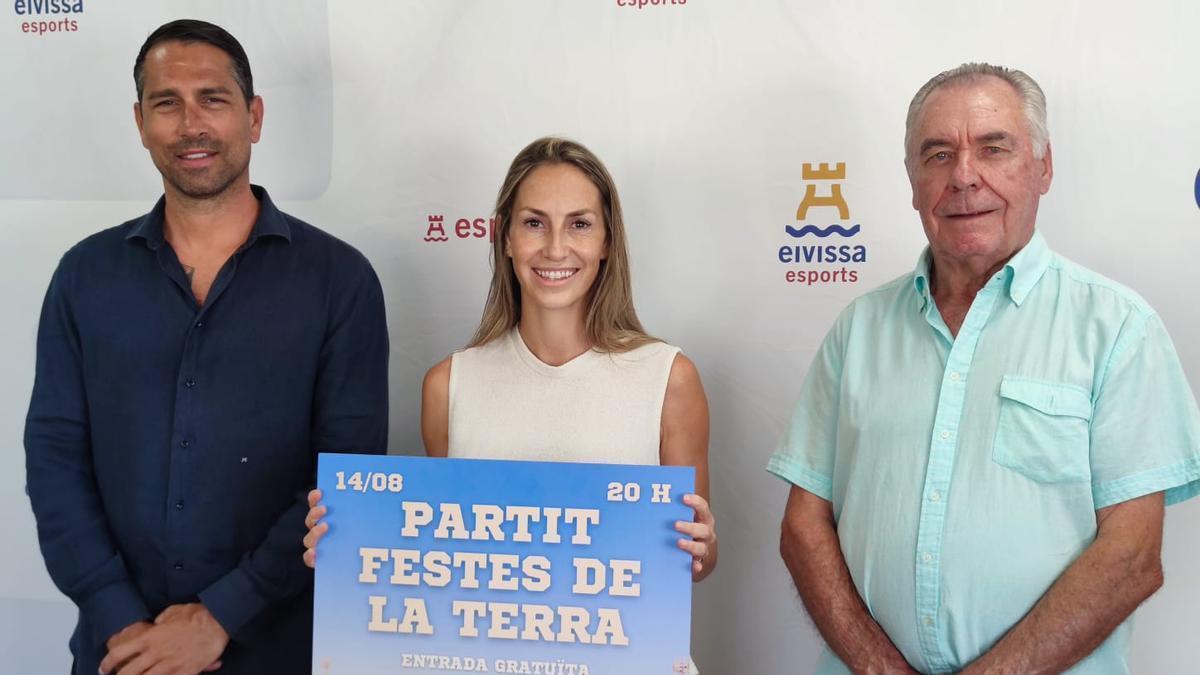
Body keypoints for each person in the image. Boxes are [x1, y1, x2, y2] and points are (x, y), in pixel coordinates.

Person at [770, 62, 1200, 674]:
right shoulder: (858, 329)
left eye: (993, 149)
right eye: (938, 154)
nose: (964, 178)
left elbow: (1132, 558)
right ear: (914, 180)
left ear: (1043, 167)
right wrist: (876, 666)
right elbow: (803, 527)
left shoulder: (1118, 329)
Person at [23, 19, 389, 675]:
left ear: (253, 116)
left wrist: (221, 615)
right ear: (141, 122)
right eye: (167, 103)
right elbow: (55, 462)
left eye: (213, 99)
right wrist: (124, 622)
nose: (191, 124)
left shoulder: (341, 281)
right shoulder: (85, 276)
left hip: (279, 649)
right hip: (120, 654)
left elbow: (344, 478)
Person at [304, 137, 715, 671]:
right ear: (504, 237)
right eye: (534, 223)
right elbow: (445, 559)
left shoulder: (669, 377)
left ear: (608, 241)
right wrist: (348, 547)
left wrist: (701, 547)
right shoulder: (449, 384)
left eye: (580, 224)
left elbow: (697, 565)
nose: (555, 248)